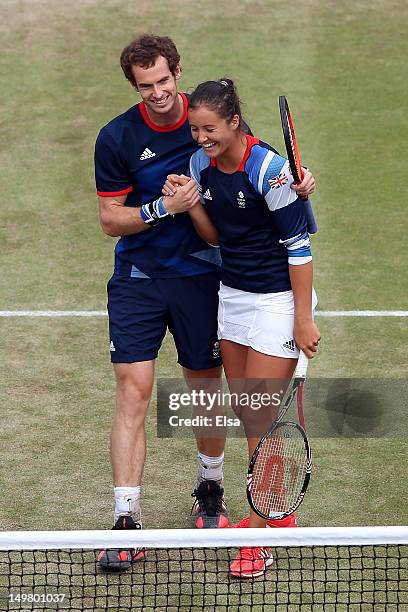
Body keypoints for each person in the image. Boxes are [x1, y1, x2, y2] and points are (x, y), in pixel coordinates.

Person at [94, 33, 316, 570]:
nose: (158, 93)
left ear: (177, 75)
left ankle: (232, 508)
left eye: (164, 81)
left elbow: (262, 175)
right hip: (173, 284)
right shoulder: (130, 139)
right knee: (161, 394)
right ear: (134, 86)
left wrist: (299, 184)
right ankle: (130, 518)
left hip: (228, 289)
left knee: (235, 405)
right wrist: (170, 207)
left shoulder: (221, 134)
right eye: (145, 86)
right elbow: (117, 220)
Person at [163, 78, 320, 579]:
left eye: (210, 128)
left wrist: (302, 317)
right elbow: (216, 234)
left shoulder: (269, 170)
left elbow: (299, 248)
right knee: (249, 415)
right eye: (195, 129)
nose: (201, 137)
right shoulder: (198, 166)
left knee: (260, 416)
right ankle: (279, 512)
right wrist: (190, 207)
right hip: (233, 297)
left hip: (277, 303)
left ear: (234, 122)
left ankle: (259, 533)